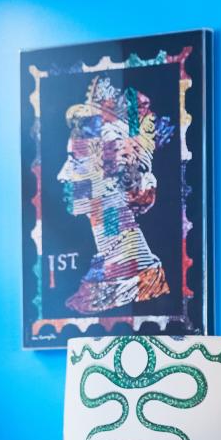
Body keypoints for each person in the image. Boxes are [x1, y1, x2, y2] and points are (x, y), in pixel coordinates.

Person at [56, 75, 171, 313]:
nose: (62, 175)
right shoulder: (105, 271)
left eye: (75, 162)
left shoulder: (137, 276)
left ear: (109, 179)